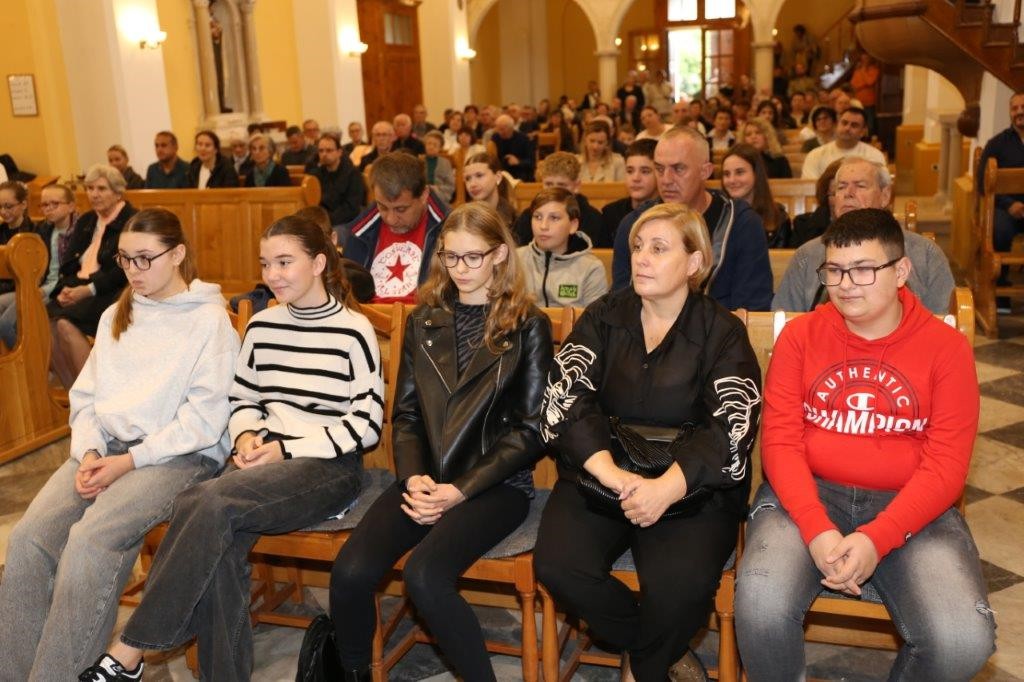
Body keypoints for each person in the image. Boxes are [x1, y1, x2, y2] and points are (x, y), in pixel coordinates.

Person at [79, 213, 381, 682]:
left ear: (320, 263)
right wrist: (244, 436)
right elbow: (243, 400)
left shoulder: (353, 329)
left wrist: (286, 449)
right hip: (262, 460)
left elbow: (366, 424)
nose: (272, 275)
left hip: (327, 465)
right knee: (218, 539)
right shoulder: (262, 326)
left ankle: (130, 649)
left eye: (285, 262)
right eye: (265, 263)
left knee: (207, 502)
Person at [736, 208, 995, 682]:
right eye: (834, 270)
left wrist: (878, 538)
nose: (845, 284)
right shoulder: (801, 336)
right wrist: (817, 529)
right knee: (760, 604)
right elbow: (781, 442)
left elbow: (946, 467)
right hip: (807, 495)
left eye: (863, 269)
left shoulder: (946, 348)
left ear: (901, 270)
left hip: (912, 504)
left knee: (962, 639)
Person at [2, 208, 237, 682]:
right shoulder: (117, 314)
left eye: (145, 258)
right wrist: (91, 452)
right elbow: (86, 398)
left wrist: (129, 461)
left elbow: (204, 421)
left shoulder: (209, 321)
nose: (133, 270)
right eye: (125, 259)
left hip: (177, 456)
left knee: (91, 542)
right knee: (28, 541)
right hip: (106, 448)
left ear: (178, 254)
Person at [535, 201, 761, 681]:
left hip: (690, 484)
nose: (641, 258)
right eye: (638, 246)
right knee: (559, 566)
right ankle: (658, 648)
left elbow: (729, 426)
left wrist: (665, 489)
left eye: (659, 249)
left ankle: (643, 665)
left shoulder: (723, 331)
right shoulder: (604, 315)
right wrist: (611, 474)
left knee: (681, 588)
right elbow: (568, 395)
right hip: (604, 467)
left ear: (694, 262)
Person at [330, 201, 552, 682]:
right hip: (425, 478)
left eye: (473, 257)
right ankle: (355, 674)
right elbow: (406, 415)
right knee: (350, 571)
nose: (460, 269)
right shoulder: (424, 319)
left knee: (425, 576)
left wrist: (459, 490)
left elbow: (532, 430)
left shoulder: (528, 325)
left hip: (495, 486)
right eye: (450, 257)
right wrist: (413, 479)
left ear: (499, 254)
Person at [612, 127, 773, 311]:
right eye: (659, 169)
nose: (666, 180)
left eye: (678, 169)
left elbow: (751, 309)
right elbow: (622, 306)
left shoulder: (740, 224)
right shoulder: (636, 225)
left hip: (721, 328)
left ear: (705, 171)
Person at [774, 156, 954, 313]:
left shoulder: (925, 253)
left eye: (860, 186)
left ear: (885, 196)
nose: (848, 194)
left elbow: (944, 323)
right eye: (841, 187)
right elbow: (782, 320)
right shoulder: (807, 255)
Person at [49, 165, 139, 389]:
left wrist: (88, 290)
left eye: (101, 188)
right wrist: (63, 290)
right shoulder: (87, 220)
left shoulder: (131, 220)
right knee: (45, 321)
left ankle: (92, 392)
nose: (94, 194)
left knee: (65, 324)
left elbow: (123, 270)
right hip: (79, 286)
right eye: (90, 188)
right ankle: (74, 391)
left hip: (112, 290)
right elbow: (68, 263)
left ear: (118, 192)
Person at [343, 152, 450, 303]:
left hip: (422, 315)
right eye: (383, 207)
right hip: (367, 315)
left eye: (401, 209)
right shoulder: (358, 233)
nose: (391, 220)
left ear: (424, 195)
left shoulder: (448, 230)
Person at [0, 182, 75, 349]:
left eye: (54, 204)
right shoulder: (45, 230)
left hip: (48, 289)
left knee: (5, 323)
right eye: (45, 205)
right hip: (37, 287)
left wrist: (39, 289)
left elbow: (45, 272)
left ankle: (30, 359)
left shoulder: (74, 232)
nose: (48, 209)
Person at [517, 187, 608, 308]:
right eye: (538, 217)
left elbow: (595, 318)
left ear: (573, 225)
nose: (543, 226)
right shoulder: (515, 260)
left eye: (554, 218)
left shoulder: (591, 268)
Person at [978, 90, 1024, 312]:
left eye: (1023, 107)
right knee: (1000, 230)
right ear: (1010, 112)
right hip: (1005, 208)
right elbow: (982, 182)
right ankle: (1000, 289)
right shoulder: (997, 144)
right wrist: (1009, 204)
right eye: (1015, 108)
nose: (1019, 112)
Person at [513, 152, 607, 247]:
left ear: (576, 186)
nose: (554, 191)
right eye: (549, 184)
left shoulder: (592, 218)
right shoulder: (528, 216)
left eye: (562, 185)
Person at [722, 144, 792, 248]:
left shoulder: (779, 219)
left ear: (756, 174)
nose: (732, 180)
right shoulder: (718, 215)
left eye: (739, 172)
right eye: (726, 174)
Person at [601, 139, 659, 245]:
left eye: (645, 171)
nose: (636, 178)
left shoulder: (669, 214)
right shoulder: (610, 213)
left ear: (659, 174)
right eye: (630, 171)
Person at [802, 108, 884, 179]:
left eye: (854, 125)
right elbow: (809, 187)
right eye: (844, 123)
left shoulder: (874, 155)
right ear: (837, 124)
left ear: (863, 131)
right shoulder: (815, 155)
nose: (847, 128)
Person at [310, 132, 366, 227]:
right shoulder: (315, 174)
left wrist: (328, 221)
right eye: (321, 151)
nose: (324, 154)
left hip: (346, 222)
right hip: (322, 221)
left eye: (329, 150)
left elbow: (352, 207)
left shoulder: (352, 174)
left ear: (339, 152)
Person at [790, 158, 841, 247]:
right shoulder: (803, 226)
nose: (846, 198)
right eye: (835, 193)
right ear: (825, 194)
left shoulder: (868, 225)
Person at [464, 152, 516, 229]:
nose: (472, 184)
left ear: (498, 177)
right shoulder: (463, 218)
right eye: (468, 178)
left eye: (479, 176)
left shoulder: (514, 219)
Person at [493, 114, 536, 181]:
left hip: (520, 174)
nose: (500, 132)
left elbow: (532, 162)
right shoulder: (495, 138)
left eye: (502, 129)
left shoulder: (524, 139)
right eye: (498, 129)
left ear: (511, 128)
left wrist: (518, 162)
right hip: (501, 174)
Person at [851, 53, 880, 135]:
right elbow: (853, 85)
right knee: (858, 122)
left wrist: (863, 70)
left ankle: (869, 139)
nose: (864, 60)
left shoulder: (874, 70)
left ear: (870, 59)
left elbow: (870, 81)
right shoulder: (857, 71)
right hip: (858, 102)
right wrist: (864, 84)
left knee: (870, 125)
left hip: (869, 102)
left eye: (866, 58)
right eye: (863, 58)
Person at [423, 130, 455, 202]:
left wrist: (436, 188)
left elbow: (450, 185)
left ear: (440, 148)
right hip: (422, 195)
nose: (431, 147)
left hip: (439, 196)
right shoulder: (419, 161)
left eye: (435, 145)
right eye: (429, 143)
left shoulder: (445, 163)